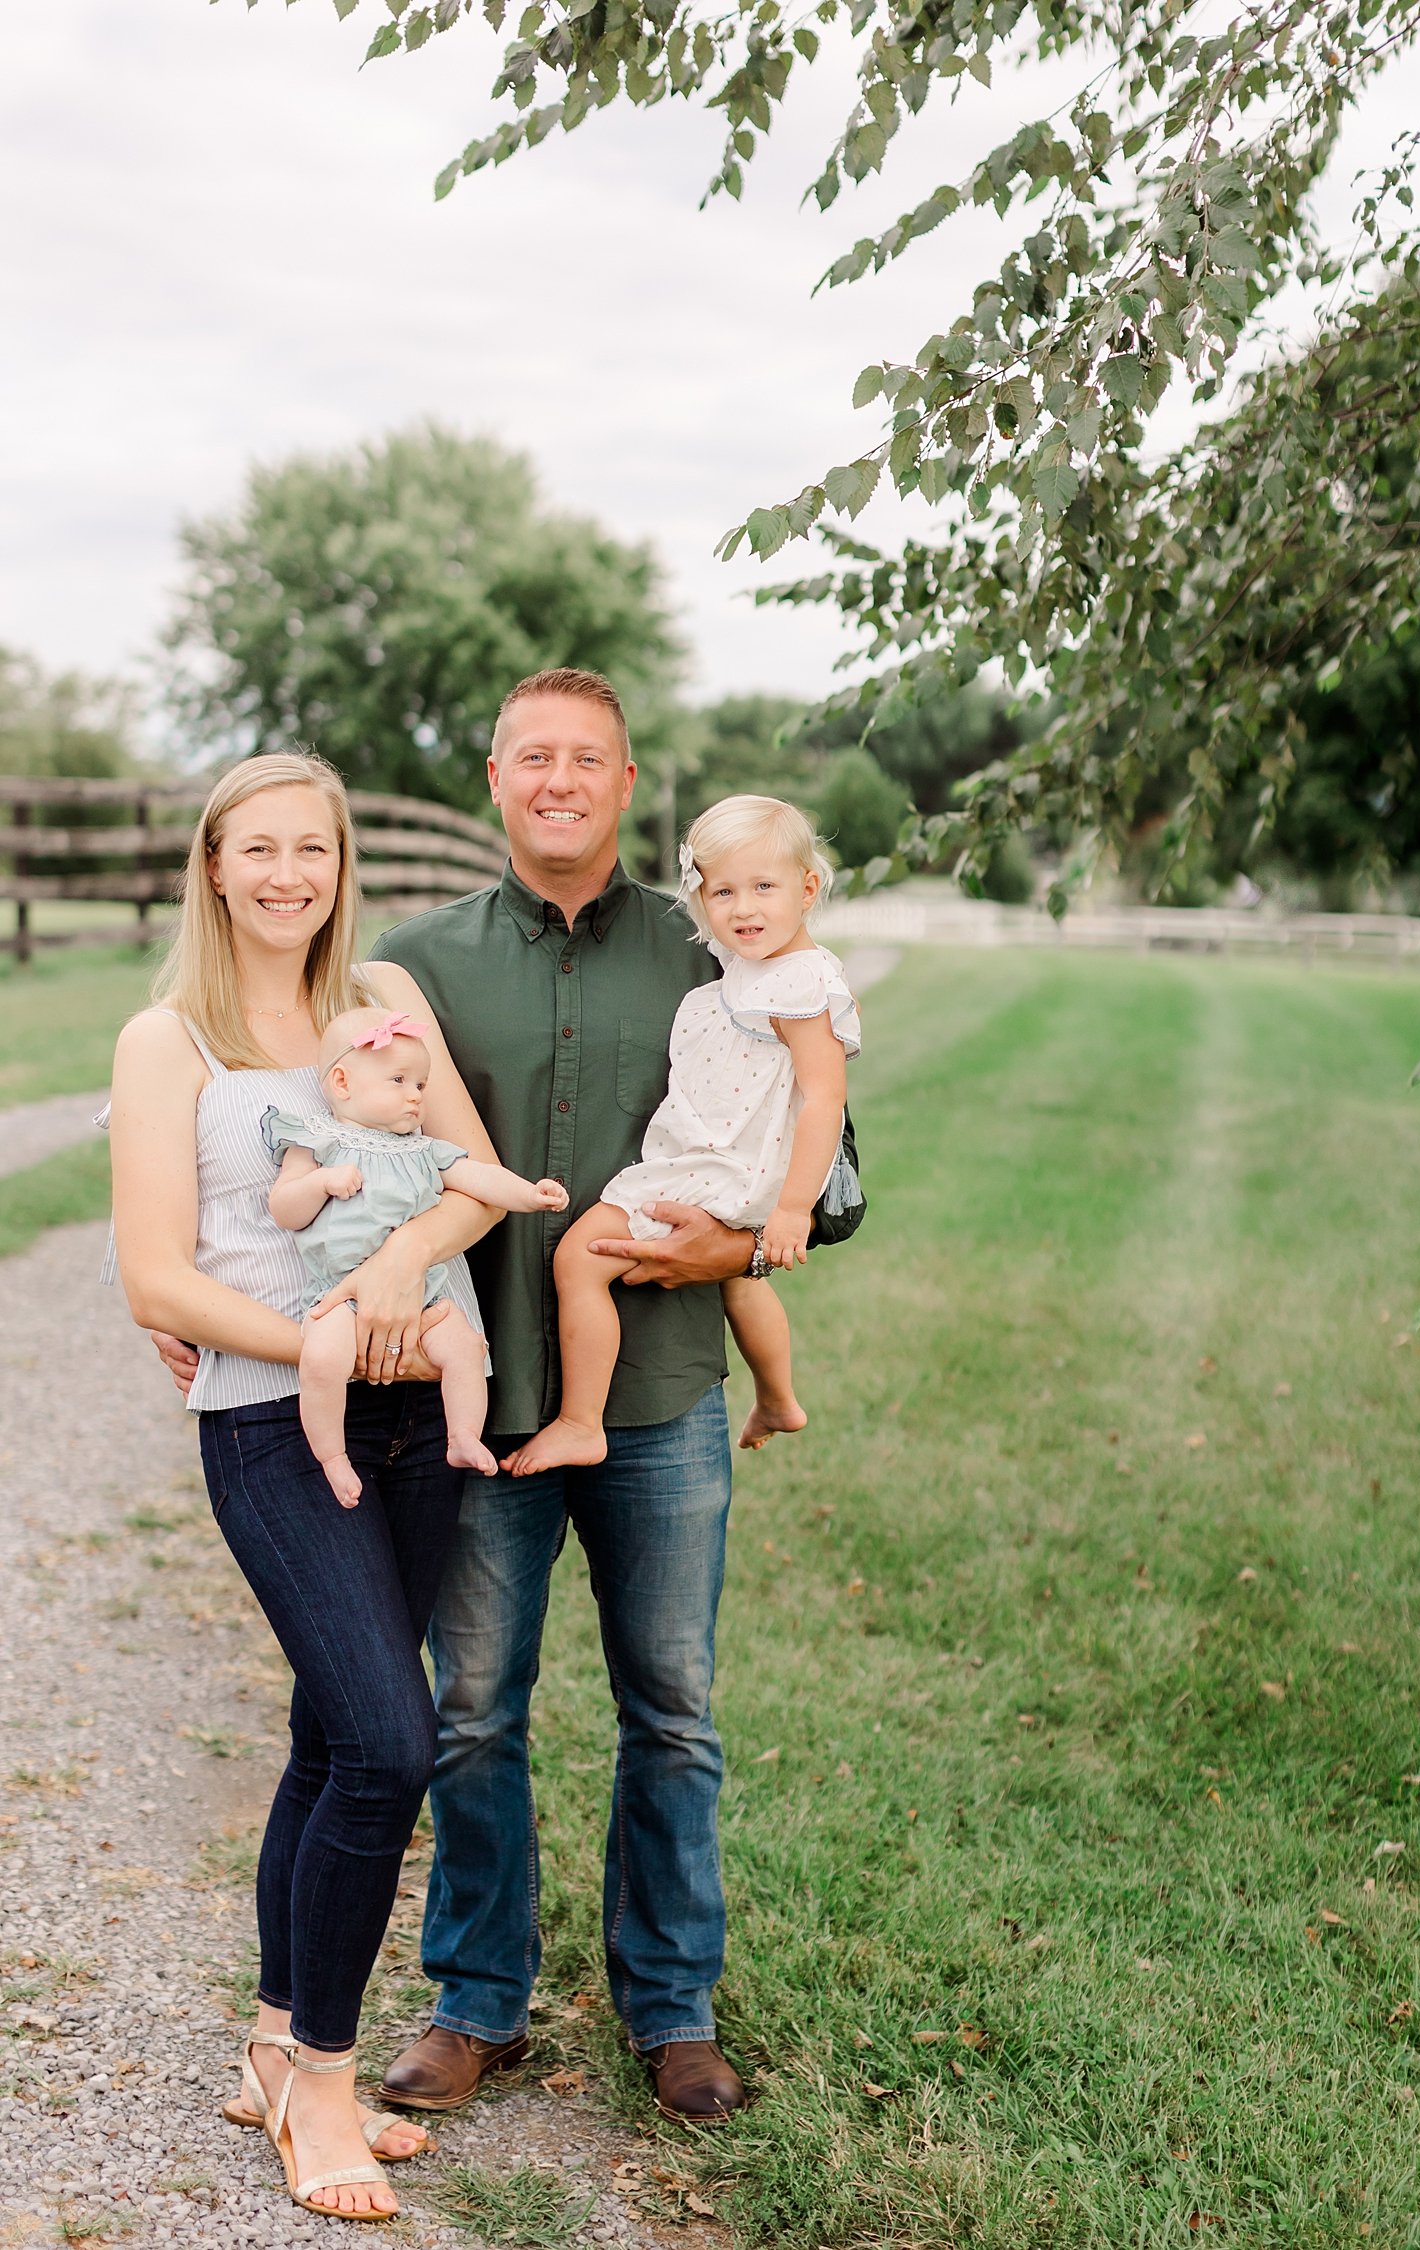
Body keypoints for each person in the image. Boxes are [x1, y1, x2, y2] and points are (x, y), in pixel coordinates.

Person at [361, 669, 860, 2127]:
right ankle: (475, 2002)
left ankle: (672, 2005)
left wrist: (749, 1236)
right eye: (535, 756)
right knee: (470, 1713)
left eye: (590, 757)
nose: (561, 778)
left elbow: (821, 1156)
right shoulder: (416, 961)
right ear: (497, 776)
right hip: (477, 1398)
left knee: (676, 1711)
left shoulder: (713, 945)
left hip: (661, 1398)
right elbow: (333, 1129)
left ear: (628, 781)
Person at [112, 750, 516, 2223]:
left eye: (314, 849)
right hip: (276, 1423)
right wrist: (324, 1341)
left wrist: (403, 1274)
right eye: (257, 848)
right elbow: (156, 1271)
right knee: (392, 1742)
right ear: (212, 865)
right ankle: (331, 2088)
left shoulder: (384, 1015)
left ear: (343, 866)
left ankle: (278, 2041)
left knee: (329, 1733)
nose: (287, 873)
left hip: (419, 1422)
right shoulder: (172, 1041)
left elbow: (480, 1176)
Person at [501, 793, 860, 1476]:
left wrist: (790, 1209)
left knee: (579, 1259)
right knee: (741, 1286)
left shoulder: (803, 983)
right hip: (726, 1166)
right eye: (722, 891)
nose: (743, 908)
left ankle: (581, 1421)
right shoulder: (755, 970)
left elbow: (824, 1099)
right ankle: (779, 1400)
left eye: (763, 887)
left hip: (717, 1168)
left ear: (807, 888)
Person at [264, 1004, 567, 1505]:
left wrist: (529, 1194)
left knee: (467, 1349)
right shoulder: (317, 1141)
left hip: (424, 1298)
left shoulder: (424, 1150)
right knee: (321, 1360)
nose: (415, 1096)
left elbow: (481, 1179)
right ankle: (333, 1457)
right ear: (342, 1082)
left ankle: (463, 1436)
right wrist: (321, 1182)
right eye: (399, 1080)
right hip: (338, 1296)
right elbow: (284, 1209)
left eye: (421, 1085)